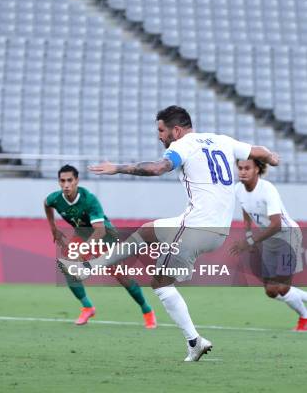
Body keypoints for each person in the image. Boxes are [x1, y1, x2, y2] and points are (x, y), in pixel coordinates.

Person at [58, 105, 279, 361]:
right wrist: (273, 158)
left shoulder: (183, 145)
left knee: (160, 283)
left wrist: (117, 167)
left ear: (176, 130)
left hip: (197, 228)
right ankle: (89, 267)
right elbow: (261, 152)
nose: (159, 136)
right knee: (148, 231)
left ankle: (194, 341)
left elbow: (157, 168)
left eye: (161, 130)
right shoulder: (222, 140)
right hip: (213, 227)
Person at [45, 164, 157, 328]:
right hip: (83, 236)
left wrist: (84, 250)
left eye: (70, 180)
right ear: (59, 182)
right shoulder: (55, 198)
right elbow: (47, 204)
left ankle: (147, 311)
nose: (66, 184)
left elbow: (99, 230)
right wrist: (53, 228)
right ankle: (87, 307)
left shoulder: (89, 200)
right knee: (67, 266)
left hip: (105, 238)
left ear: (77, 181)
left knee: (121, 277)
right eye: (62, 181)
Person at [231, 158, 307, 331]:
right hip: (269, 239)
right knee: (271, 290)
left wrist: (250, 241)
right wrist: (249, 233)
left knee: (283, 288)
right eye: (240, 168)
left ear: (257, 169)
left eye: (247, 168)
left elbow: (277, 224)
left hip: (288, 237)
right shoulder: (238, 189)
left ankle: (305, 318)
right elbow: (246, 209)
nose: (243, 171)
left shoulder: (267, 189)